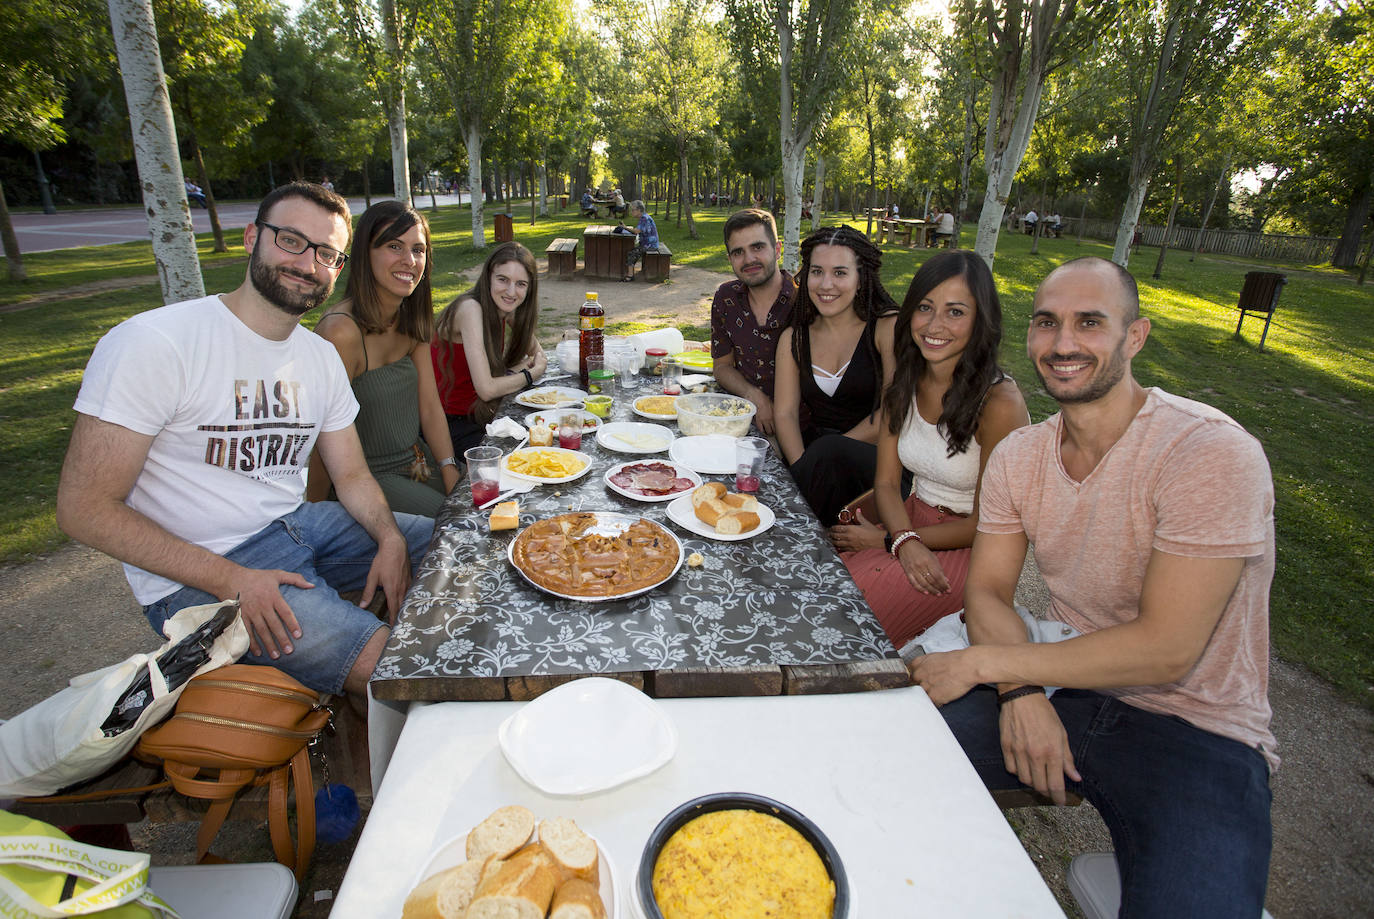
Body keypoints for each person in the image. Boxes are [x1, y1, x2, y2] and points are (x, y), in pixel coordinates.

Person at [911, 256, 1277, 917]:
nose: (1064, 343)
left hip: (1202, 732)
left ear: (1134, 336)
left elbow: (1166, 649)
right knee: (885, 748)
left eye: (1090, 322)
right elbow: (987, 594)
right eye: (1048, 323)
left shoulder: (1210, 452)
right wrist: (1020, 689)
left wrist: (991, 663)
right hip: (1069, 684)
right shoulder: (1022, 455)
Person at [55, 182, 434, 698]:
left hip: (298, 526)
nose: (307, 264)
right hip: (200, 575)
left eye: (326, 253)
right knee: (397, 668)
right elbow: (83, 508)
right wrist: (232, 578)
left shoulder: (318, 355)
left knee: (455, 543)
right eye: (291, 241)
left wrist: (389, 539)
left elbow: (351, 475)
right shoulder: (154, 343)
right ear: (252, 236)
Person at [829, 250, 1029, 651]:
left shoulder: (999, 403)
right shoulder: (907, 378)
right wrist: (901, 537)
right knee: (821, 584)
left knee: (846, 617)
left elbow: (993, 522)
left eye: (955, 312)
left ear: (981, 320)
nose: (935, 325)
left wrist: (892, 541)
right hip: (909, 522)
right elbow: (886, 484)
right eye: (924, 307)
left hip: (972, 548)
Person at [307, 201, 459, 517]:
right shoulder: (340, 333)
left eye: (418, 250)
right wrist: (315, 521)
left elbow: (430, 407)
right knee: (454, 526)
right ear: (366, 253)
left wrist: (448, 469)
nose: (409, 260)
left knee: (488, 503)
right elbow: (320, 445)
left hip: (419, 462)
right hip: (368, 479)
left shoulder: (411, 318)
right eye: (394, 246)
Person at [775, 226, 899, 527]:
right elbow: (786, 413)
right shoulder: (794, 338)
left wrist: (829, 455)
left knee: (826, 457)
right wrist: (805, 467)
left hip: (880, 460)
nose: (826, 284)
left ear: (861, 279)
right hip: (815, 457)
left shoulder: (887, 327)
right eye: (817, 271)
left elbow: (894, 411)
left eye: (840, 273)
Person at [432, 242, 548, 456]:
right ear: (488, 278)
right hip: (450, 424)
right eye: (502, 279)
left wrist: (523, 369)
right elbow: (486, 389)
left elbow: (538, 354)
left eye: (521, 284)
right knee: (524, 458)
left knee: (546, 437)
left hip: (480, 414)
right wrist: (530, 374)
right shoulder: (470, 308)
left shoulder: (506, 305)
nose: (511, 291)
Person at [710, 209, 798, 436]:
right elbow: (722, 367)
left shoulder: (803, 301)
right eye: (738, 252)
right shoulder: (726, 298)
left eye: (758, 247)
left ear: (777, 249)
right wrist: (753, 395)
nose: (749, 259)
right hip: (738, 420)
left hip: (798, 430)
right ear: (729, 259)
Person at [622, 200, 659, 282]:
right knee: (633, 251)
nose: (631, 212)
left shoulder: (644, 218)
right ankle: (630, 274)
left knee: (631, 253)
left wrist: (625, 227)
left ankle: (630, 276)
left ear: (639, 210)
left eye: (633, 210)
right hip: (648, 244)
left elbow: (636, 231)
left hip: (650, 245)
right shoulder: (644, 217)